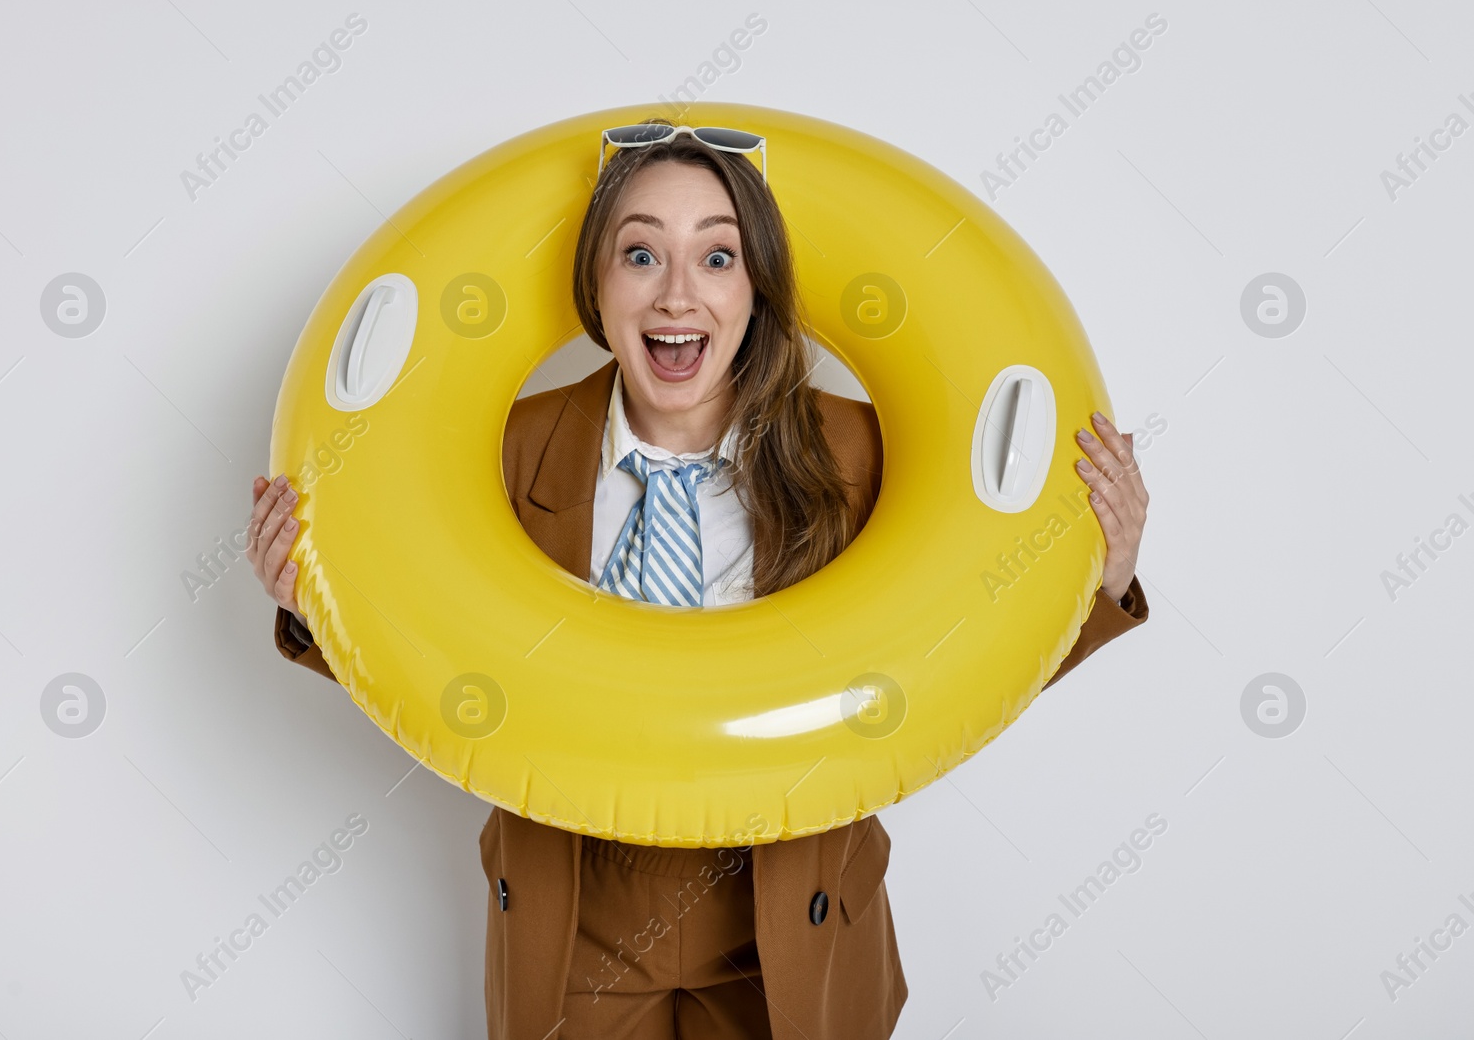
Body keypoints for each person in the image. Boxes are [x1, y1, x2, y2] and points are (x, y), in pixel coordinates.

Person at [250, 121, 1151, 1039]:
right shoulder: (498, 452)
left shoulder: (864, 455)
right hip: (578, 915)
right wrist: (315, 602)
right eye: (640, 253)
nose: (677, 292)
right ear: (594, 286)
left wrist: (1099, 577)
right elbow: (434, 646)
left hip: (784, 908)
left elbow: (966, 649)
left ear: (756, 288)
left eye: (716, 256)